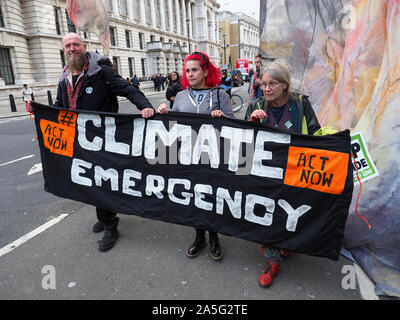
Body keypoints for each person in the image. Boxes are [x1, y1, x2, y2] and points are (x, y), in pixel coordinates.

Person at [27, 33, 155, 252]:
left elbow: (128, 89)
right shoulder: (64, 77)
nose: (72, 48)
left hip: (104, 141)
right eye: (68, 45)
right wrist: (42, 120)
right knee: (89, 181)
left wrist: (145, 106)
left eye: (76, 44)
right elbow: (60, 108)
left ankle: (110, 225)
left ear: (84, 46)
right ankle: (105, 215)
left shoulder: (102, 72)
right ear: (63, 50)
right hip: (80, 141)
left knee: (102, 181)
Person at [245, 61, 321, 287]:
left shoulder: (301, 105)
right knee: (267, 213)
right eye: (264, 84)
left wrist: (337, 140)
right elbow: (243, 139)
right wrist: (252, 123)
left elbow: (316, 132)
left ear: (285, 85)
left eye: (272, 84)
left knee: (291, 212)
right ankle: (271, 261)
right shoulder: (257, 104)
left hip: (294, 171)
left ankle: (286, 243)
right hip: (265, 173)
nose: (267, 89)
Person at [157, 52, 234, 261]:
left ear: (206, 71)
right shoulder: (181, 96)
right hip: (188, 156)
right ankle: (199, 236)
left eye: (195, 70)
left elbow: (235, 125)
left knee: (212, 196)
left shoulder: (220, 94)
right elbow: (175, 125)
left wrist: (223, 117)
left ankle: (214, 236)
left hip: (213, 156)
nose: (190, 74)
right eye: (187, 70)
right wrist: (165, 114)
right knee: (194, 197)